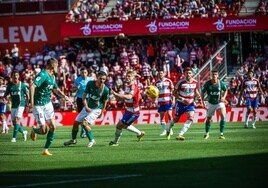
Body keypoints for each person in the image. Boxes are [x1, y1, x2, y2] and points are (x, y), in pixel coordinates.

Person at [29, 58, 72, 156]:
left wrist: (65, 97)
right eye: (57, 66)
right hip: (38, 105)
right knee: (43, 131)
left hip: (48, 104)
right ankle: (34, 130)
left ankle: (45, 149)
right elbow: (32, 86)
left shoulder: (52, 77)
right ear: (53, 66)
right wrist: (31, 102)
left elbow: (56, 89)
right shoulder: (43, 74)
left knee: (53, 127)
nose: (58, 68)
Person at [64, 70, 110, 148]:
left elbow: (105, 102)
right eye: (100, 78)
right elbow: (84, 96)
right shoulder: (90, 84)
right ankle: (73, 140)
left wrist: (102, 112)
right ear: (97, 78)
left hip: (96, 109)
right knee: (75, 124)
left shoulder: (105, 89)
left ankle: (92, 140)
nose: (102, 81)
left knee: (84, 123)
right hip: (87, 107)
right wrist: (86, 106)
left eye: (104, 79)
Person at [166, 67, 204, 141]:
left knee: (191, 118)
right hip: (180, 103)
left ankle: (180, 134)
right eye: (187, 73)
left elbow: (195, 91)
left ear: (192, 74)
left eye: (190, 73)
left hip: (190, 104)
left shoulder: (195, 82)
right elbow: (174, 93)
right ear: (184, 74)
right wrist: (183, 99)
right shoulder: (180, 82)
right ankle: (168, 129)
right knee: (175, 120)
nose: (188, 74)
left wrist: (200, 99)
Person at [109, 70, 145, 146]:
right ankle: (139, 133)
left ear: (133, 78)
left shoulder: (133, 86)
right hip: (128, 110)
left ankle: (115, 142)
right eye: (126, 76)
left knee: (120, 125)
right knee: (123, 126)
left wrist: (116, 94)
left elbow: (129, 97)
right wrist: (116, 96)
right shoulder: (127, 86)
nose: (127, 77)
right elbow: (124, 98)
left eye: (129, 76)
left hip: (133, 112)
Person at [2, 70, 28, 142]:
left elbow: (27, 94)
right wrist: (4, 100)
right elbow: (5, 95)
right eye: (14, 75)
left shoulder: (22, 85)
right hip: (14, 105)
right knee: (14, 123)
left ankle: (14, 138)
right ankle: (23, 132)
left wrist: (28, 104)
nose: (15, 77)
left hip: (21, 104)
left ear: (18, 76)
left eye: (16, 75)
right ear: (12, 77)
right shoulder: (10, 86)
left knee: (16, 120)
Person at [201, 69, 228, 139]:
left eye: (215, 74)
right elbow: (202, 92)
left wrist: (224, 97)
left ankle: (221, 134)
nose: (214, 76)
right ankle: (207, 133)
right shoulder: (207, 83)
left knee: (223, 116)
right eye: (213, 74)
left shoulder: (221, 83)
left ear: (218, 75)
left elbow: (226, 90)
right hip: (211, 103)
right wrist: (203, 101)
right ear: (211, 75)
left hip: (219, 102)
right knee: (209, 118)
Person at [72, 67, 94, 138]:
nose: (84, 74)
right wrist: (76, 88)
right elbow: (72, 90)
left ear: (87, 73)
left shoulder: (90, 80)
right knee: (81, 115)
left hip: (88, 99)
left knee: (86, 115)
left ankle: (83, 130)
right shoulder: (78, 80)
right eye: (82, 73)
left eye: (85, 72)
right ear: (80, 73)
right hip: (80, 99)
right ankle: (83, 130)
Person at [154, 68, 174, 136]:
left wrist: (173, 99)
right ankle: (164, 131)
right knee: (162, 116)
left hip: (168, 100)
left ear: (164, 73)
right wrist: (155, 100)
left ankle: (170, 129)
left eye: (161, 73)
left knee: (169, 115)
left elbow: (173, 90)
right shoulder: (156, 83)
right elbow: (155, 93)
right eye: (159, 73)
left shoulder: (168, 81)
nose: (160, 74)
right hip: (160, 101)